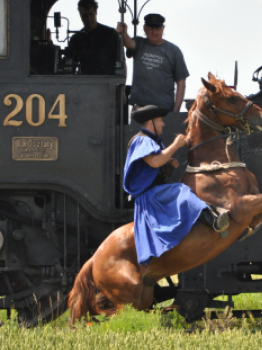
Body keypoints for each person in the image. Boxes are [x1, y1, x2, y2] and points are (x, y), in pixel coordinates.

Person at [123, 105, 230, 265]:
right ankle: (213, 220)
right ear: (151, 122)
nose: (163, 124)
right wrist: (175, 145)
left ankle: (211, 218)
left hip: (155, 193)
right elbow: (154, 161)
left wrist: (168, 163)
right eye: (160, 121)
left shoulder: (150, 141)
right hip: (150, 196)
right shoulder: (142, 140)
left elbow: (157, 162)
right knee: (182, 191)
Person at [117, 14, 189, 112]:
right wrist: (123, 32)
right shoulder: (139, 43)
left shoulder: (174, 51)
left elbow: (181, 82)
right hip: (140, 108)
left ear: (163, 28)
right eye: (151, 28)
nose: (154, 32)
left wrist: (176, 110)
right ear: (144, 28)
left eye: (157, 28)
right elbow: (128, 43)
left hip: (164, 108)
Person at [68, 0, 120, 75]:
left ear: (96, 13)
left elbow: (121, 60)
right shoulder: (76, 38)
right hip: (86, 82)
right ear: (80, 15)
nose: (88, 19)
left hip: (108, 81)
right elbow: (71, 67)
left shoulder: (111, 34)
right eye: (85, 15)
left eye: (91, 14)